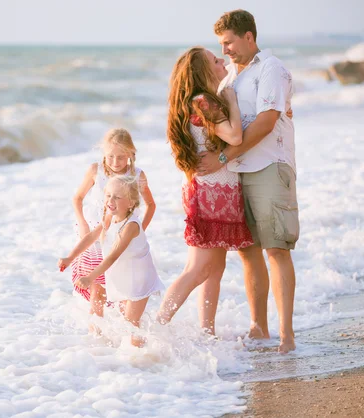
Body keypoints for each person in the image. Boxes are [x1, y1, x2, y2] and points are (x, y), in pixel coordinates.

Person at [197, 10, 299, 353]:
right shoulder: (230, 81)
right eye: (221, 45)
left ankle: (286, 336)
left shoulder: (271, 68)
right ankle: (259, 329)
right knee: (248, 252)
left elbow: (268, 121)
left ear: (249, 37)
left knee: (276, 249)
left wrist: (223, 156)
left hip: (270, 166)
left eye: (228, 42)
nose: (225, 50)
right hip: (239, 174)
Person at [155, 46, 254, 336]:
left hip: (217, 193)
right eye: (214, 60)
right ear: (203, 72)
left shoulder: (200, 101)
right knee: (198, 269)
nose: (221, 60)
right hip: (212, 195)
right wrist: (231, 100)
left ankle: (207, 332)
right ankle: (156, 326)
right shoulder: (203, 102)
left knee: (215, 268)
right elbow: (235, 136)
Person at [59, 175, 165, 347]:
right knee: (127, 319)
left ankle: (141, 360)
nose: (110, 200)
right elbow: (91, 237)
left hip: (139, 279)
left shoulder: (131, 226)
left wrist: (90, 277)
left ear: (131, 203)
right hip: (123, 275)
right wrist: (70, 257)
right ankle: (141, 348)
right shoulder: (110, 217)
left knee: (131, 324)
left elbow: (113, 255)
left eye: (117, 196)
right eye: (108, 195)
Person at [69, 128, 156, 322]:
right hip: (95, 235)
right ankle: (97, 336)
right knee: (97, 289)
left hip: (121, 235)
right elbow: (77, 198)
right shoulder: (95, 171)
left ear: (130, 155)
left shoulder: (137, 175)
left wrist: (137, 231)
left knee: (124, 288)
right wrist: (83, 224)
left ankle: (124, 333)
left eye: (121, 157)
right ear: (103, 154)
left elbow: (151, 205)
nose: (115, 162)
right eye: (110, 157)